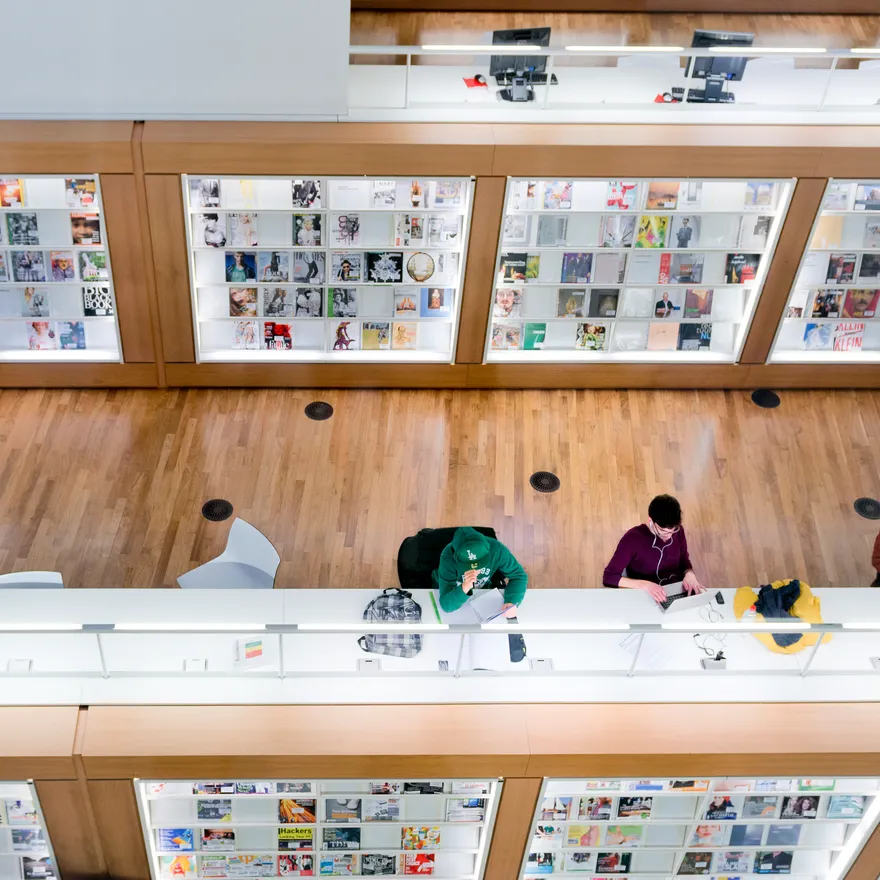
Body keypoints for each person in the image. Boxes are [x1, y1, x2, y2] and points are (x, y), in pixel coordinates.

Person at [603, 494, 706, 603]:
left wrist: (690, 574)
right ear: (650, 520)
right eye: (663, 531)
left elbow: (684, 561)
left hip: (675, 592)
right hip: (645, 595)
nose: (669, 536)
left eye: (673, 530)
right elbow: (609, 577)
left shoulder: (679, 531)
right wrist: (645, 585)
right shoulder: (633, 538)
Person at [433, 526, 527, 616]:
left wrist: (512, 602)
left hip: (483, 594)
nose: (475, 570)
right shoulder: (448, 557)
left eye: (480, 564)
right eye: (468, 565)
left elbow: (518, 576)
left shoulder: (497, 550)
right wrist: (465, 587)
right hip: (454, 592)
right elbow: (447, 605)